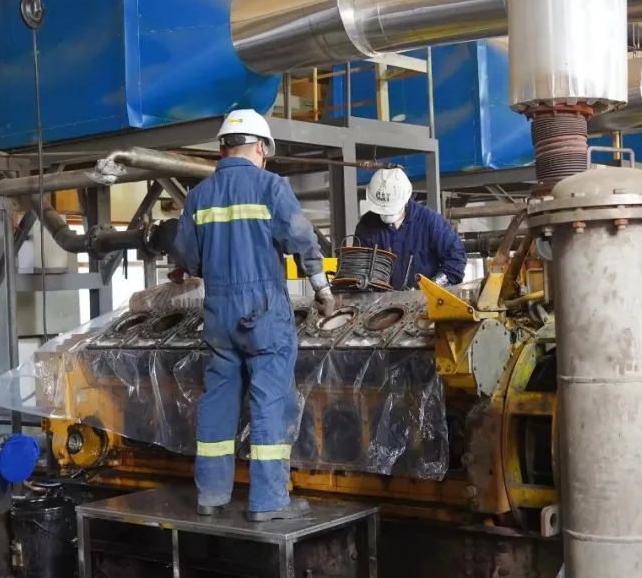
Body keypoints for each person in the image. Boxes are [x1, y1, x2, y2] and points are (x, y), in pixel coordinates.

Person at [172, 109, 336, 521]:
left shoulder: (198, 196)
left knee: (218, 403)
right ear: (261, 148)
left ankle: (211, 496)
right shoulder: (271, 186)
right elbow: (301, 239)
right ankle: (268, 501)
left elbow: (188, 259)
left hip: (218, 314)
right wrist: (323, 291)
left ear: (222, 149)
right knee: (270, 404)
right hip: (263, 313)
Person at [354, 167, 466, 289]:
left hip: (425, 298)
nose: (386, 213)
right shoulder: (367, 225)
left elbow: (456, 259)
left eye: (391, 208)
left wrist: (432, 286)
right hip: (379, 300)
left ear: (406, 199)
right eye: (381, 209)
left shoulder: (430, 221)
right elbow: (357, 267)